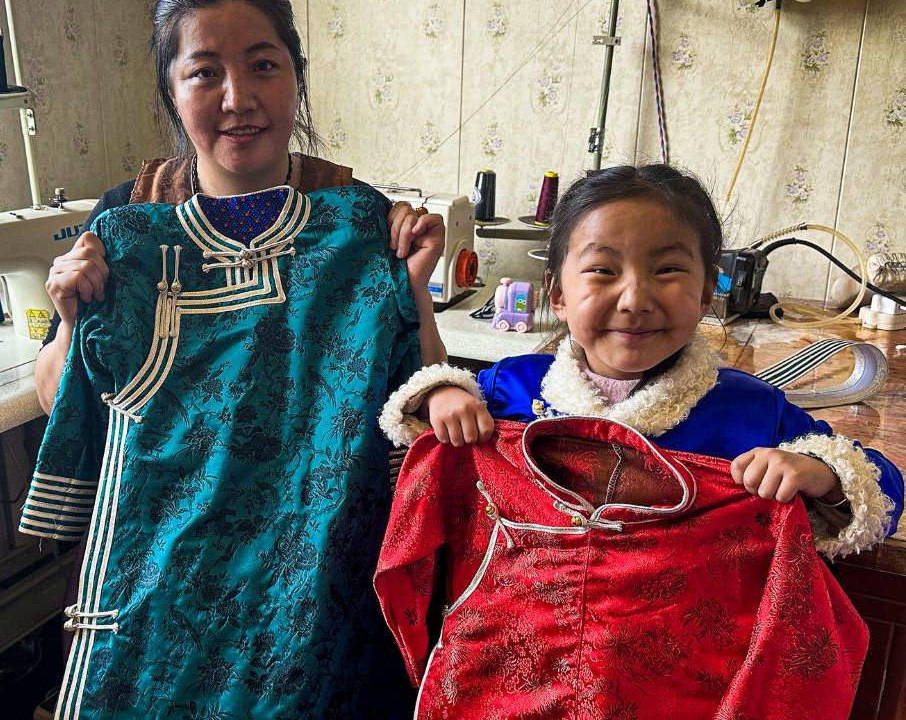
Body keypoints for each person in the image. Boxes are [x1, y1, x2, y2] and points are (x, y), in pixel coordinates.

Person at [26, 0, 446, 716]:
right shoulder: (126, 221)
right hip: (165, 571)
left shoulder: (356, 217)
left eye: (262, 67)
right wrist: (71, 316)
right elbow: (70, 400)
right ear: (170, 92)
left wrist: (413, 287)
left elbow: (413, 405)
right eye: (204, 73)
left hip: (313, 578)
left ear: (296, 77)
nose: (238, 100)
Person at [380, 164, 903, 558]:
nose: (634, 299)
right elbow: (428, 422)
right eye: (603, 270)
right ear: (557, 294)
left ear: (705, 294)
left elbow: (882, 488)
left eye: (669, 269)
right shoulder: (509, 389)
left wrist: (820, 472)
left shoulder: (752, 411)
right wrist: (442, 394)